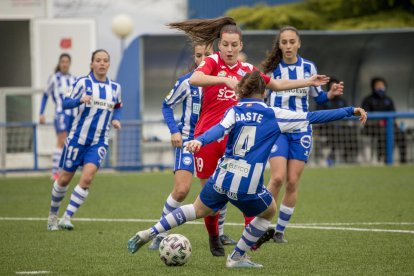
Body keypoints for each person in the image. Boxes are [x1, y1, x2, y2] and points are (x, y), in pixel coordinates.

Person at [127, 70, 367, 268]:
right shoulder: (275, 113)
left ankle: (152, 231)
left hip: (222, 175)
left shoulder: (233, 110)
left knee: (196, 208)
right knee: (269, 211)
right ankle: (237, 257)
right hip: (247, 182)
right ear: (264, 92)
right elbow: (314, 117)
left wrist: (200, 140)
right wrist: (350, 110)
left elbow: (218, 130)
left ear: (241, 91)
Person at [167, 17, 329, 256]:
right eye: (226, 45)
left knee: (247, 191)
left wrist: (307, 81)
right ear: (219, 45)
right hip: (209, 137)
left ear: (241, 45)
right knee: (211, 201)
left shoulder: (247, 70)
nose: (230, 50)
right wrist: (223, 78)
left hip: (236, 140)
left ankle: (249, 242)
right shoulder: (212, 62)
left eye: (234, 45)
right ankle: (214, 238)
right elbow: (195, 79)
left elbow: (274, 83)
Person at [255, 26, 344, 246]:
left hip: (302, 128)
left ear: (298, 43)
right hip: (277, 128)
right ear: (279, 45)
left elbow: (319, 99)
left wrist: (330, 94)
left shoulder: (308, 67)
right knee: (277, 178)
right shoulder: (272, 68)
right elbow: (261, 98)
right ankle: (259, 227)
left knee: (293, 181)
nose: (287, 46)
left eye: (291, 41)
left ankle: (279, 232)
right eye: (283, 42)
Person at [147, 42, 216, 250]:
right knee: (181, 190)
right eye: (198, 55)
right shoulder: (186, 82)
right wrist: (174, 130)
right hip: (187, 141)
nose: (202, 59)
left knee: (216, 191)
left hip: (211, 142)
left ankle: (218, 235)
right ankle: (160, 233)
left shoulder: (220, 83)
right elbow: (166, 105)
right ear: (194, 58)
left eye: (207, 54)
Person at [46, 49, 122, 231]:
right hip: (76, 141)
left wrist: (116, 118)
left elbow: (118, 106)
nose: (102, 63)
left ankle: (67, 217)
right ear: (92, 64)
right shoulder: (82, 82)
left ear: (109, 64)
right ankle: (52, 216)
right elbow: (65, 103)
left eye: (105, 60)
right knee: (64, 179)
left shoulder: (115, 88)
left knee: (87, 178)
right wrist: (80, 100)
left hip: (98, 142)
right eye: (98, 60)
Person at [39, 53, 77, 181]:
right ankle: (55, 172)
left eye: (67, 62)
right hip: (60, 113)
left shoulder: (73, 79)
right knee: (61, 140)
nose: (65, 64)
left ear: (70, 64)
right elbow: (45, 95)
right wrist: (41, 113)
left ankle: (64, 170)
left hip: (73, 114)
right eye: (63, 62)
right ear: (59, 63)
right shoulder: (54, 78)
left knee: (69, 142)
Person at [361, 77, 407, 163]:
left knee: (401, 134)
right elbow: (365, 116)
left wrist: (390, 122)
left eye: (382, 85)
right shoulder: (368, 100)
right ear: (373, 87)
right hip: (372, 127)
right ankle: (382, 158)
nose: (380, 87)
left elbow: (393, 115)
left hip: (388, 126)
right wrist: (378, 122)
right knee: (384, 133)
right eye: (378, 85)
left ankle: (403, 160)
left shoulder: (388, 100)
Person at [316, 78, 359, 164]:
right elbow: (318, 116)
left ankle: (349, 157)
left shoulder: (342, 101)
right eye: (333, 86)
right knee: (335, 133)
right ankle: (332, 156)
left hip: (341, 127)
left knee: (351, 132)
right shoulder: (323, 101)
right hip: (327, 128)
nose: (335, 88)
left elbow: (348, 115)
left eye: (337, 85)